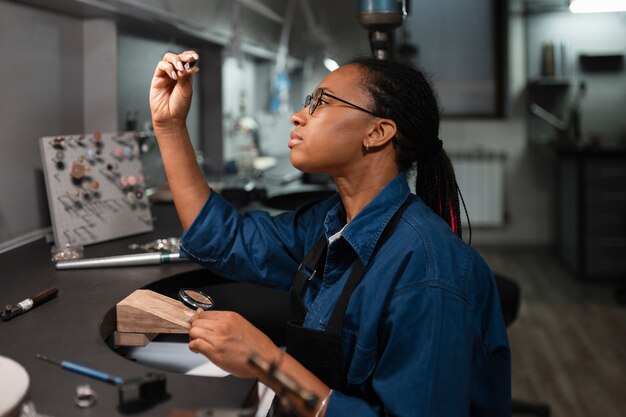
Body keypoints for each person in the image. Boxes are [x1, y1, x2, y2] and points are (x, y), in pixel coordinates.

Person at [149, 51, 511, 417]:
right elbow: (225, 240)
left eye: (321, 102)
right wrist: (169, 125)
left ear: (377, 132)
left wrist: (268, 363)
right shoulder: (330, 222)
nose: (298, 115)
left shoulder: (427, 275)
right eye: (310, 101)